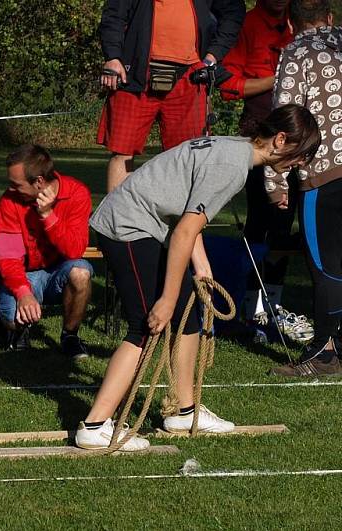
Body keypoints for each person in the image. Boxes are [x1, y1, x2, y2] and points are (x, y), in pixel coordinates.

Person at [77, 104, 320, 451]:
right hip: (126, 226)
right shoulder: (233, 166)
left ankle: (183, 410)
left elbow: (188, 214)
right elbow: (183, 232)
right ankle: (94, 425)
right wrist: (166, 298)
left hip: (146, 225)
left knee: (187, 319)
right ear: (281, 140)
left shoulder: (234, 149)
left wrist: (201, 266)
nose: (302, 163)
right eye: (302, 154)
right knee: (147, 325)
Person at [219, 0, 303, 341]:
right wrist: (277, 78)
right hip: (261, 135)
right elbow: (230, 86)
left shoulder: (301, 25)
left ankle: (274, 306)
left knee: (287, 221)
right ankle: (249, 304)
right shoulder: (248, 24)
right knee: (260, 220)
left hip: (300, 137)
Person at [97, 0, 245, 192]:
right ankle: (116, 220)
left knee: (187, 156)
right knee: (122, 153)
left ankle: (181, 222)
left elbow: (233, 11)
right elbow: (114, 15)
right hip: (134, 74)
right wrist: (113, 57)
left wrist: (213, 56)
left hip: (190, 77)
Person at [269, 0, 342, 376]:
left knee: (325, 266)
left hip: (324, 171)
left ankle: (323, 352)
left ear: (292, 24)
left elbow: (285, 118)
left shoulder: (296, 52)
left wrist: (274, 180)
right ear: (329, 18)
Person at [0, 144, 93, 358]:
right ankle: (18, 330)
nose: (10, 188)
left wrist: (48, 216)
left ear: (39, 181)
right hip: (25, 273)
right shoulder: (8, 201)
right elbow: (8, 256)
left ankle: (70, 336)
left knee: (81, 272)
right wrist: (23, 293)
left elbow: (75, 250)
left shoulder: (77, 194)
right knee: (11, 317)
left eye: (16, 184)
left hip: (60, 270)